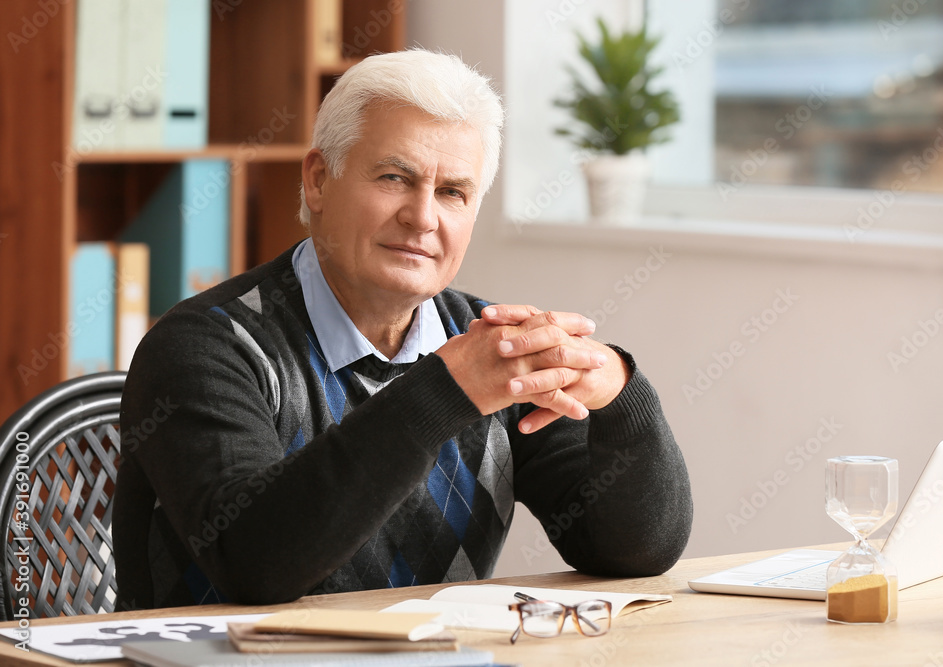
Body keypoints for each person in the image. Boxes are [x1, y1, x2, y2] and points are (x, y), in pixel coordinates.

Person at [112, 49, 693, 611]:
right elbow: (254, 561)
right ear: (318, 180)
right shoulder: (202, 347)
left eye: (452, 193)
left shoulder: (488, 343)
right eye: (394, 177)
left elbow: (632, 553)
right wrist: (445, 392)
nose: (422, 217)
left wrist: (620, 393)